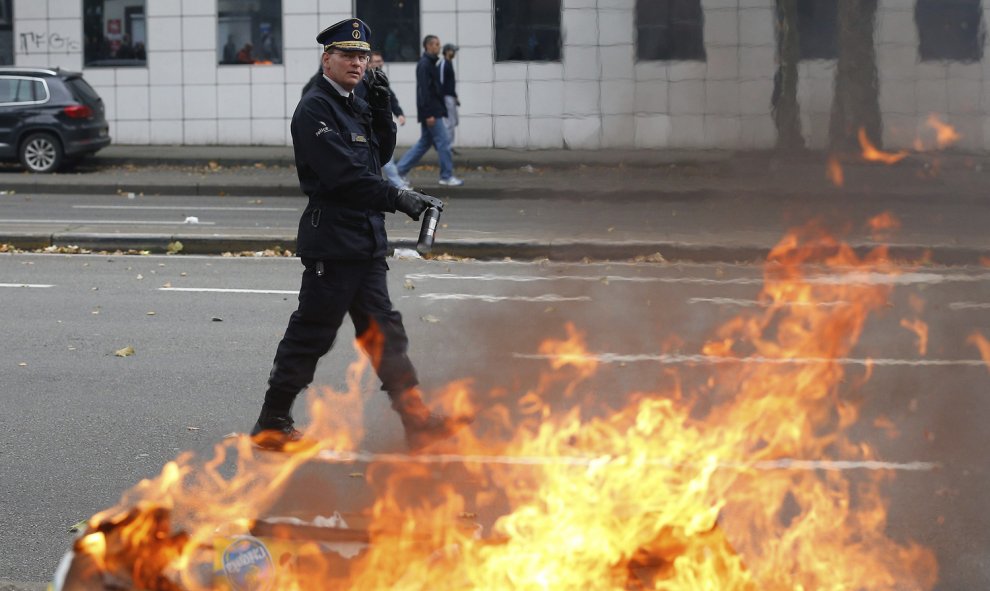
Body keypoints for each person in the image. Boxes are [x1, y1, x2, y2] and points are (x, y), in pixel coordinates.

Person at [251, 18, 469, 452]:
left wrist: (382, 107)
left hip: (365, 240)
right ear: (326, 58)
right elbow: (346, 177)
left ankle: (416, 420)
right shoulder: (315, 108)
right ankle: (272, 422)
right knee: (312, 332)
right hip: (332, 239)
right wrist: (400, 198)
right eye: (347, 54)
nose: (357, 62)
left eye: (362, 56)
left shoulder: (353, 101)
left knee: (386, 332)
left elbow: (378, 155)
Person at [394, 35, 463, 187]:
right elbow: (424, 92)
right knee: (444, 143)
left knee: (424, 143)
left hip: (432, 111)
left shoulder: (430, 63)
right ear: (429, 46)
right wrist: (429, 114)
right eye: (437, 44)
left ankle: (399, 171)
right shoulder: (425, 65)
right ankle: (446, 176)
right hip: (432, 112)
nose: (439, 47)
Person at [356, 50, 409, 190]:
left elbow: (390, 97)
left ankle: (386, 184)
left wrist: (399, 113)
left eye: (381, 61)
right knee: (384, 158)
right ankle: (398, 186)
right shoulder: (363, 81)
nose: (379, 64)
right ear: (368, 63)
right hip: (370, 125)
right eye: (376, 62)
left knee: (381, 157)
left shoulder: (379, 77)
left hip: (378, 124)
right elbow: (360, 103)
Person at [438, 43, 459, 151]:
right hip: (446, 97)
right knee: (448, 123)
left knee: (453, 122)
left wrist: (455, 96)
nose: (454, 53)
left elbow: (451, 83)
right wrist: (442, 100)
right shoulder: (443, 64)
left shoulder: (449, 63)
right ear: (446, 51)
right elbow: (440, 82)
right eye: (452, 51)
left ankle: (449, 145)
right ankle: (447, 146)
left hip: (450, 97)